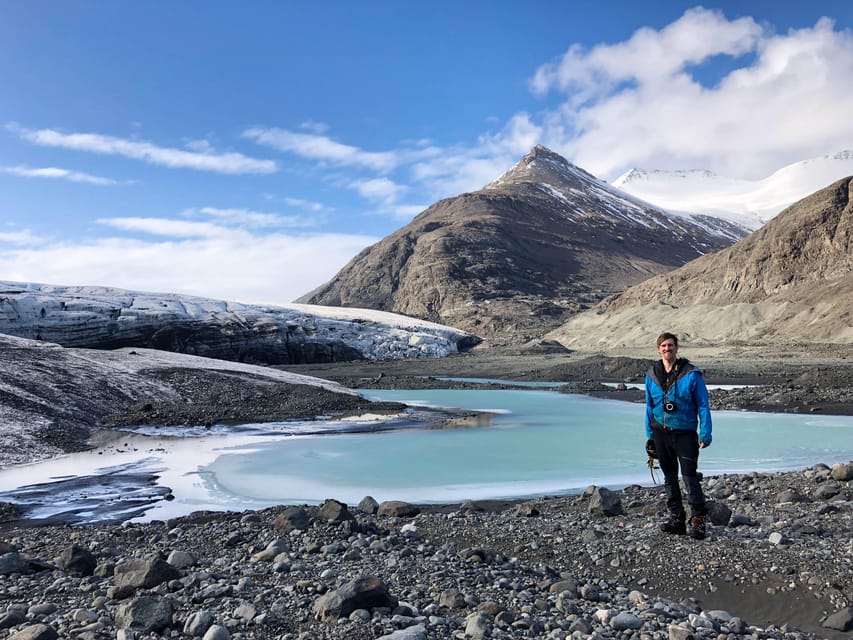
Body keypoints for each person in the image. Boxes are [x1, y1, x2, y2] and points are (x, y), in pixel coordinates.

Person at [644, 332, 712, 539]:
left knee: (690, 477)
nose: (667, 349)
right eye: (663, 346)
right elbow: (649, 406)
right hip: (660, 434)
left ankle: (698, 521)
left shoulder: (691, 374)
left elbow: (703, 404)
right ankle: (677, 520)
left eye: (670, 345)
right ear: (658, 349)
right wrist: (649, 436)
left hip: (685, 434)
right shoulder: (651, 375)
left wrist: (705, 433)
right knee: (669, 478)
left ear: (677, 348)